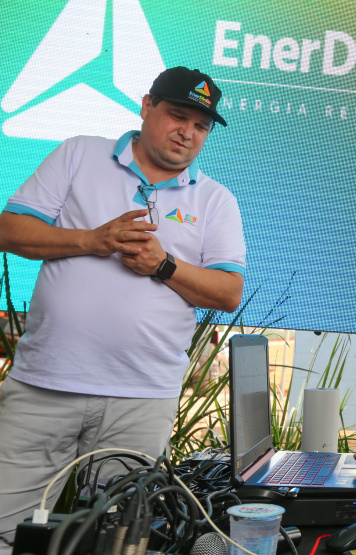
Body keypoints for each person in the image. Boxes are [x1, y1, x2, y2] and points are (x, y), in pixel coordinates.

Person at [0, 67, 246, 551]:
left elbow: (228, 292)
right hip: (43, 382)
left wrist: (165, 266)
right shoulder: (79, 153)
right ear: (146, 105)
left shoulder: (216, 200)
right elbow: (9, 230)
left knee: (118, 540)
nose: (187, 133)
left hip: (141, 397)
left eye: (201, 126)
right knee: (4, 528)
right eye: (178, 116)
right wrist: (92, 240)